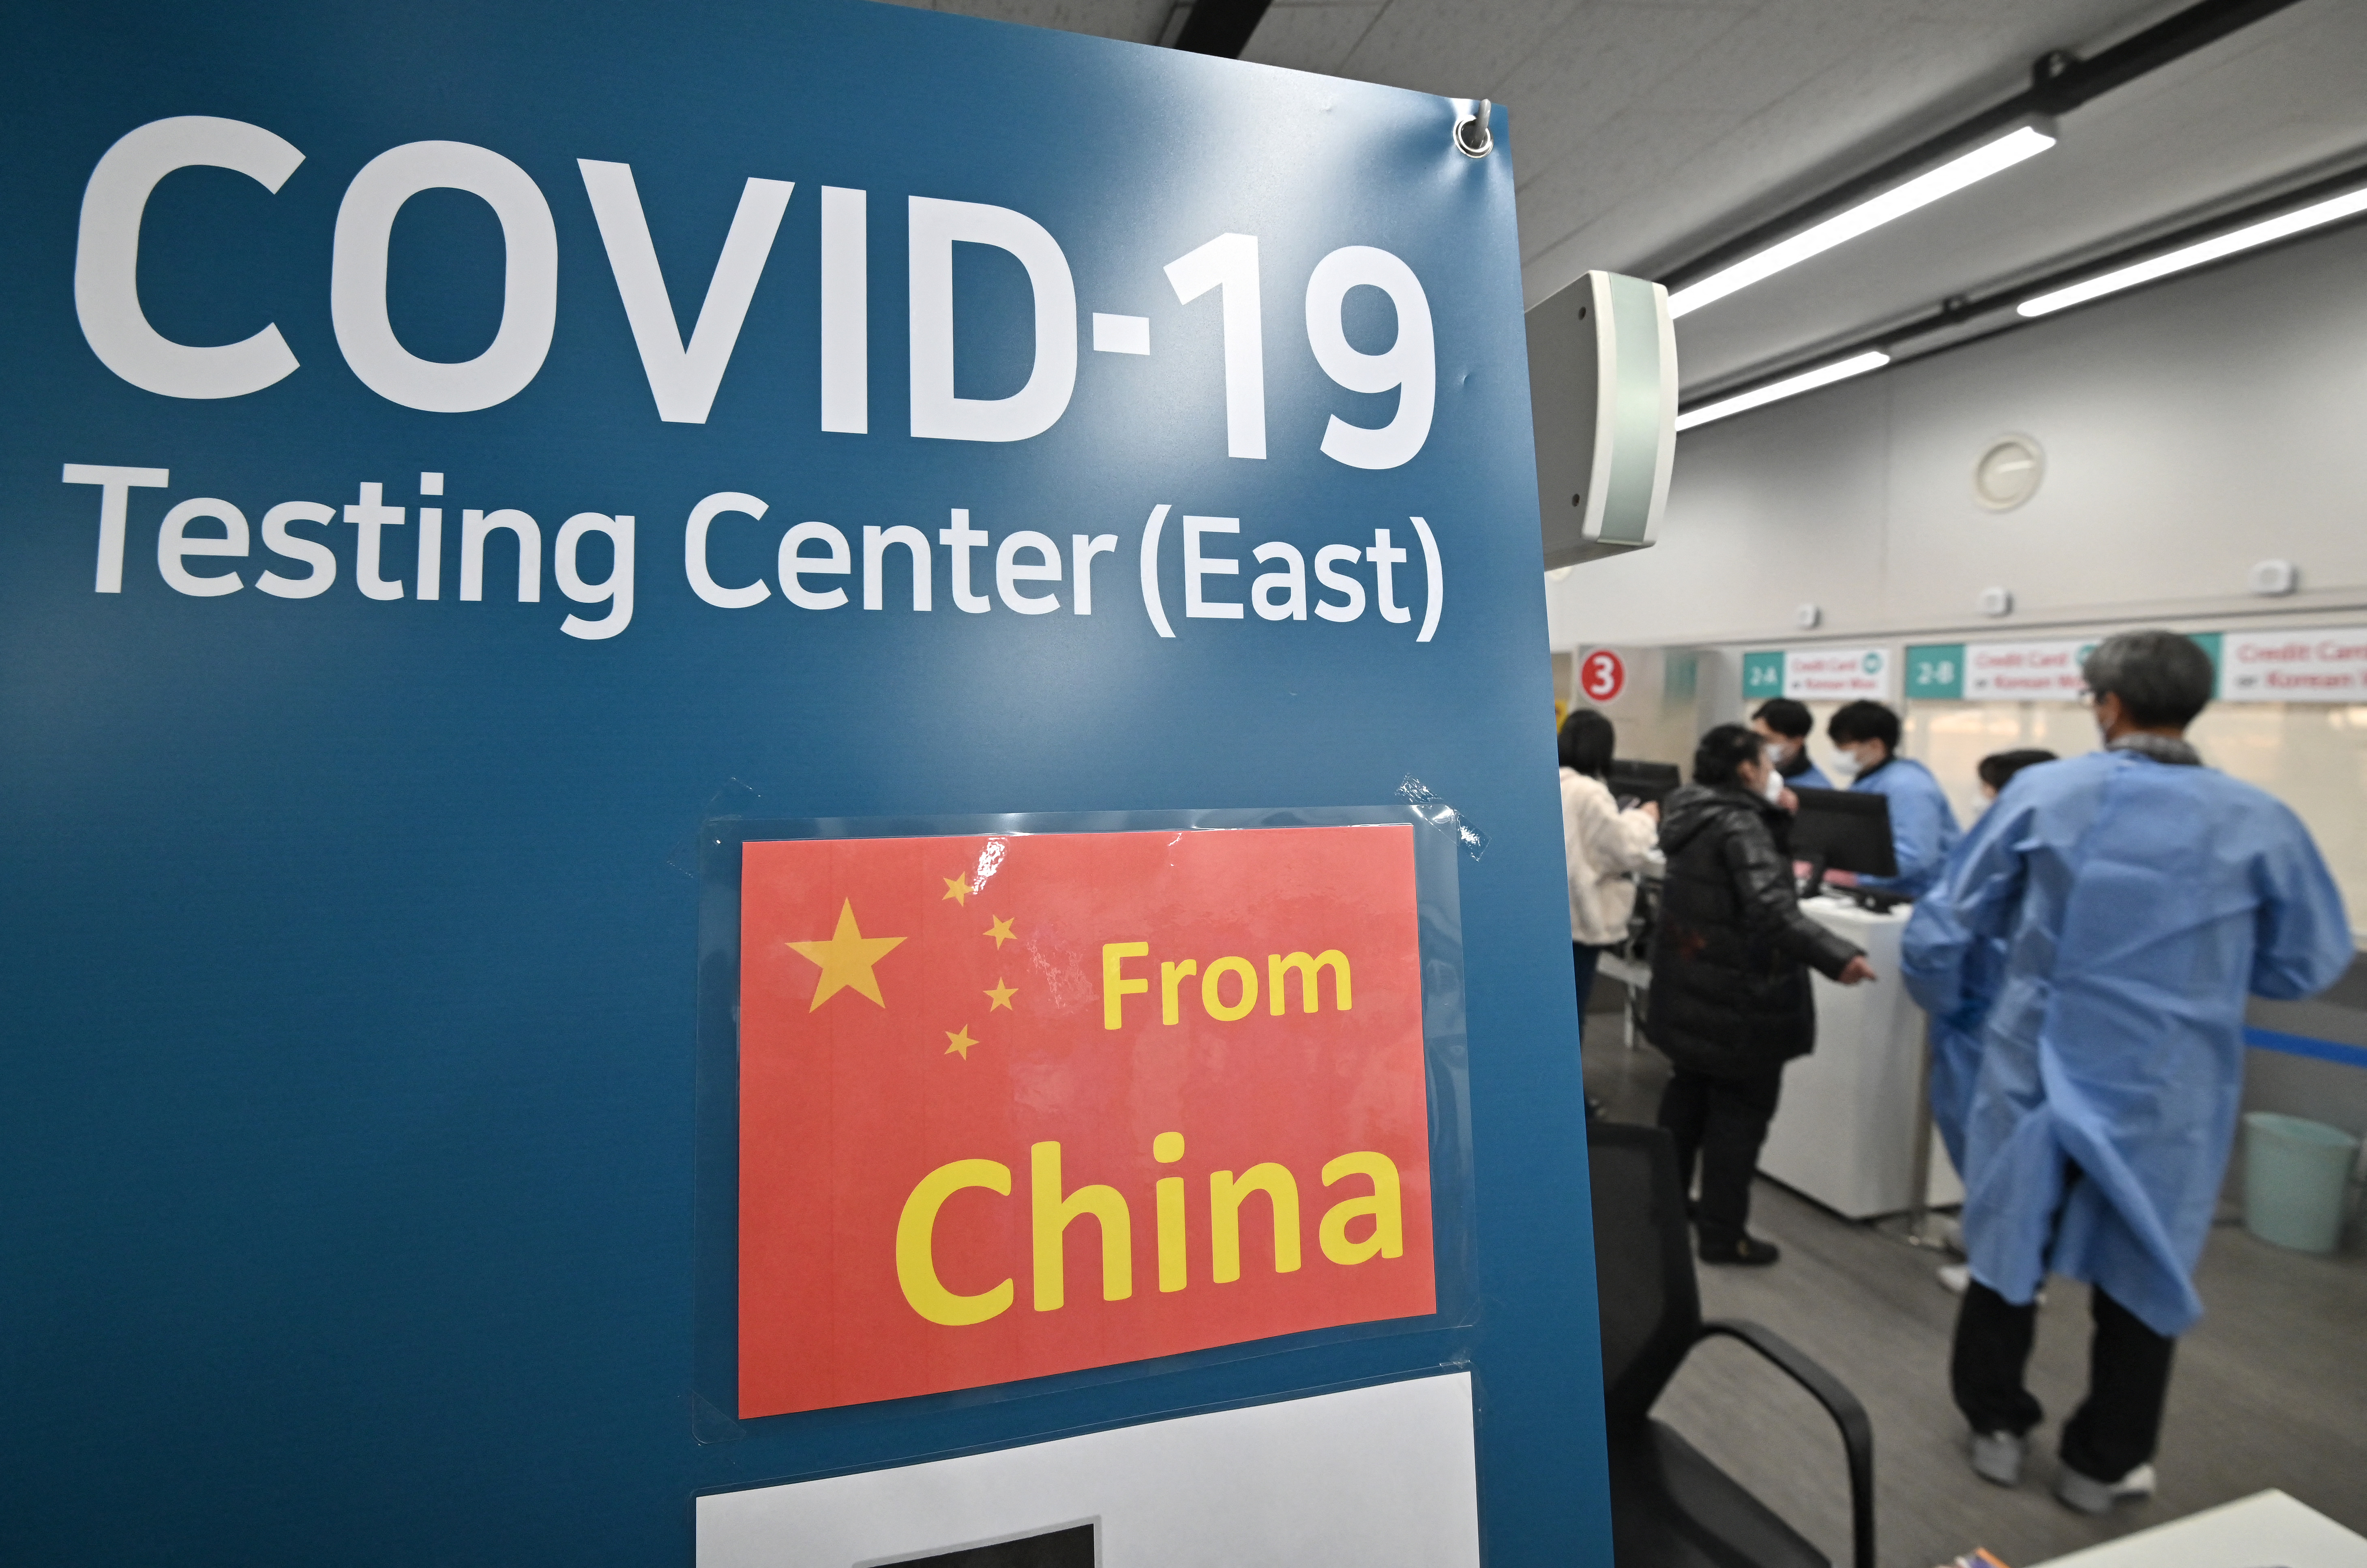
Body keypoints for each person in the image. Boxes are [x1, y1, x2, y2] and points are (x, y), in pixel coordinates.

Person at [1902, 631, 2351, 1515]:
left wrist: (1955, 1005)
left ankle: (1995, 1431)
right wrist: (2200, 980)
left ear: (2106, 704)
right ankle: (2101, 1466)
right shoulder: (2259, 817)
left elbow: (1947, 926)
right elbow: (2306, 962)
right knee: (2143, 1272)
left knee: (2004, 1254)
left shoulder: (2046, 791)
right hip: (2166, 1083)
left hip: (2032, 1068)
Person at [1649, 724, 1876, 1265]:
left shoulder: (1689, 812)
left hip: (1694, 989)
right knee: (1738, 1119)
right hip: (1740, 1000)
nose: (1773, 769)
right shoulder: (1740, 823)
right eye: (1764, 761)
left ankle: (1663, 1204)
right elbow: (1771, 911)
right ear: (1747, 770)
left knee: (1686, 1097)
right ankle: (1724, 1236)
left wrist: (1781, 819)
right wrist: (1837, 956)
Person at [1927, 748, 2058, 1299]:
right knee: (1982, 1133)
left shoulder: (2011, 843)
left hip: (1996, 1006)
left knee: (2005, 1141)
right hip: (1999, 1005)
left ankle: (2008, 1268)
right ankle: (1990, 1240)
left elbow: (1950, 921)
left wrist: (1932, 986)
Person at [1558, 708, 1659, 1027]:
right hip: (1578, 918)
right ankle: (1569, 1078)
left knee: (1551, 1015)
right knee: (1571, 1014)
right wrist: (1644, 819)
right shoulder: (1589, 791)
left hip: (1544, 915)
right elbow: (1623, 849)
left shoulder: (1544, 783)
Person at [1827, 699, 1960, 899]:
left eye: (1843, 747)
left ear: (1875, 745)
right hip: (1886, 896)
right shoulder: (1870, 780)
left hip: (1923, 901)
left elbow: (1914, 856)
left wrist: (1856, 878)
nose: (1837, 753)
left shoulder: (1909, 786)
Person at [1750, 697, 1831, 789]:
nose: (1758, 745)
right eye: (1754, 738)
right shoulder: (1746, 777)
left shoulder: (1816, 789)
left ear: (1797, 742)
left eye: (1767, 739)